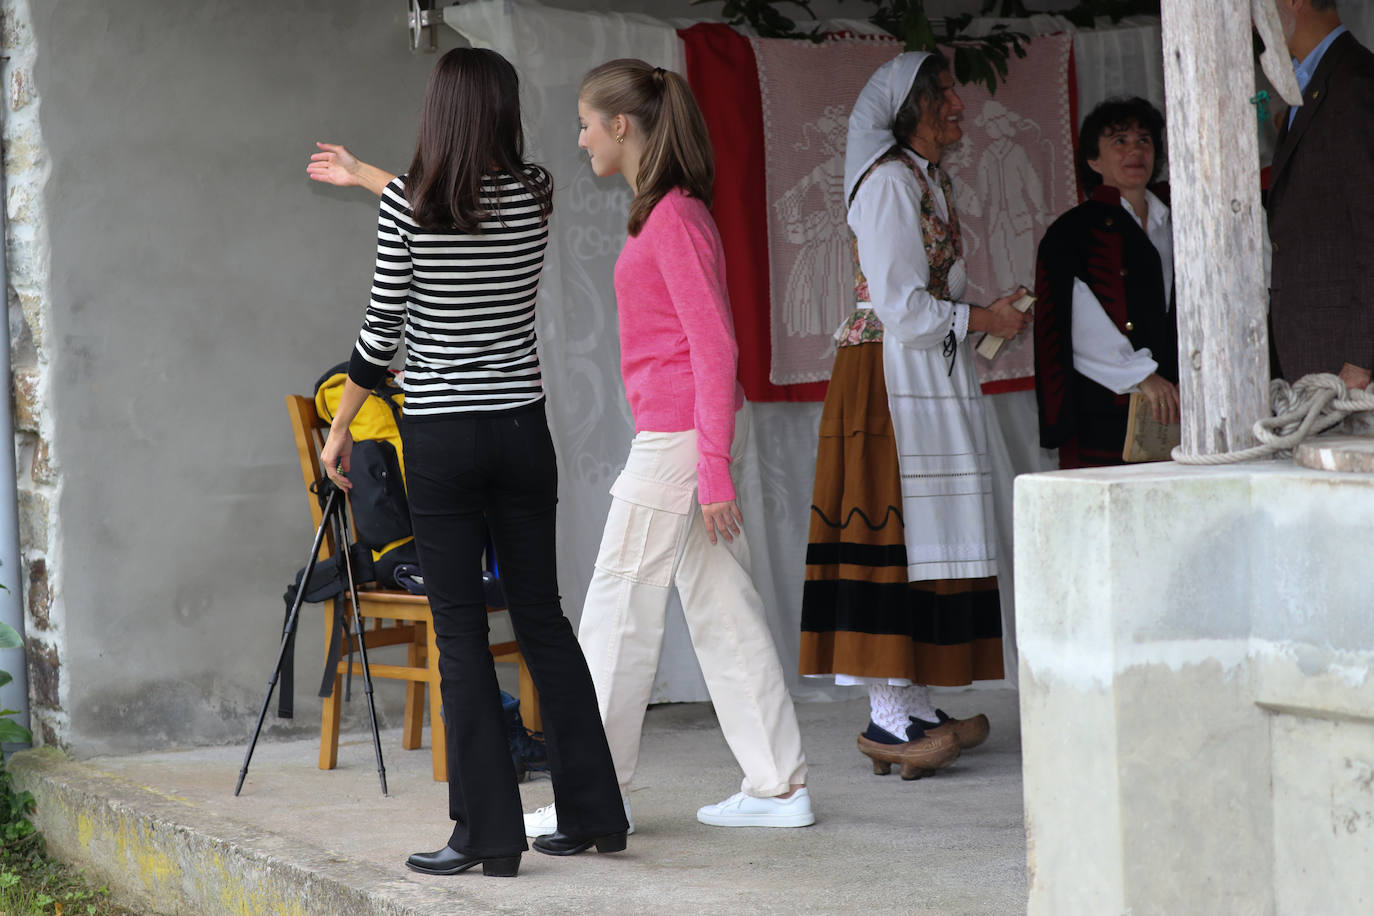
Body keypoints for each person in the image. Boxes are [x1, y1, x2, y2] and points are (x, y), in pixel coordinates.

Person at [310, 58, 814, 834]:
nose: (577, 139)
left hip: (681, 437)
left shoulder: (672, 219)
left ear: (621, 124)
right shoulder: (577, 197)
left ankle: (591, 795)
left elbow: (714, 346)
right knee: (722, 606)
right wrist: (365, 174)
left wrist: (712, 467)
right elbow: (438, 205)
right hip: (675, 431)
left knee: (614, 606)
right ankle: (779, 785)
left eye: (586, 122)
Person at [316, 47, 627, 879]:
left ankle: (488, 834)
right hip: (524, 431)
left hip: (446, 439)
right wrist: (361, 175)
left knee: (459, 635)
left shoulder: (409, 211)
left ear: (439, 113)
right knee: (543, 620)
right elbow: (441, 199)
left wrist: (341, 425)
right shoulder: (537, 194)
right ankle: (595, 813)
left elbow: (380, 340)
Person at [799, 52, 1030, 779]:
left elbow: (933, 292)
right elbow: (900, 305)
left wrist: (988, 315)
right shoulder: (891, 184)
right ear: (910, 113)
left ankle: (916, 703)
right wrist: (977, 314)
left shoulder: (926, 181)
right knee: (893, 529)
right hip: (886, 379)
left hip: (919, 374)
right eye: (945, 95)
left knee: (923, 533)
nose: (959, 104)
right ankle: (887, 717)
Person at [1032, 97, 1181, 469]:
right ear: (1093, 160)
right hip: (1105, 405)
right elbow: (1075, 321)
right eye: (1119, 141)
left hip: (1181, 401)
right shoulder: (1072, 232)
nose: (1135, 150)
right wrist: (1141, 375)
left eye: (1144, 140)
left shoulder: (1183, 219)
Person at [1267, 0, 1374, 389]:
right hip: (1316, 352)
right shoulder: (1310, 79)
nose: (1254, 15)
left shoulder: (1355, 82)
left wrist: (1360, 360)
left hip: (1346, 365)